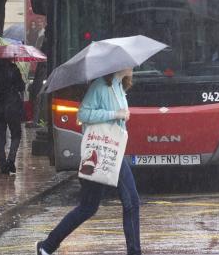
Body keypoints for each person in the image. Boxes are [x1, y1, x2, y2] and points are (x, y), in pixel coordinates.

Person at [36, 68, 141, 255]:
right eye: (130, 64)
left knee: (89, 207)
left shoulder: (119, 85)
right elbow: (83, 114)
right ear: (119, 64)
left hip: (113, 150)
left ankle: (47, 246)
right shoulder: (100, 85)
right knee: (130, 202)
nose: (133, 67)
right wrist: (114, 114)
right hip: (102, 152)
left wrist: (121, 116)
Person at [0, 58, 25, 174]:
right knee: (16, 134)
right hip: (12, 107)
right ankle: (11, 159)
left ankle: (3, 165)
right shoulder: (14, 70)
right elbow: (21, 87)